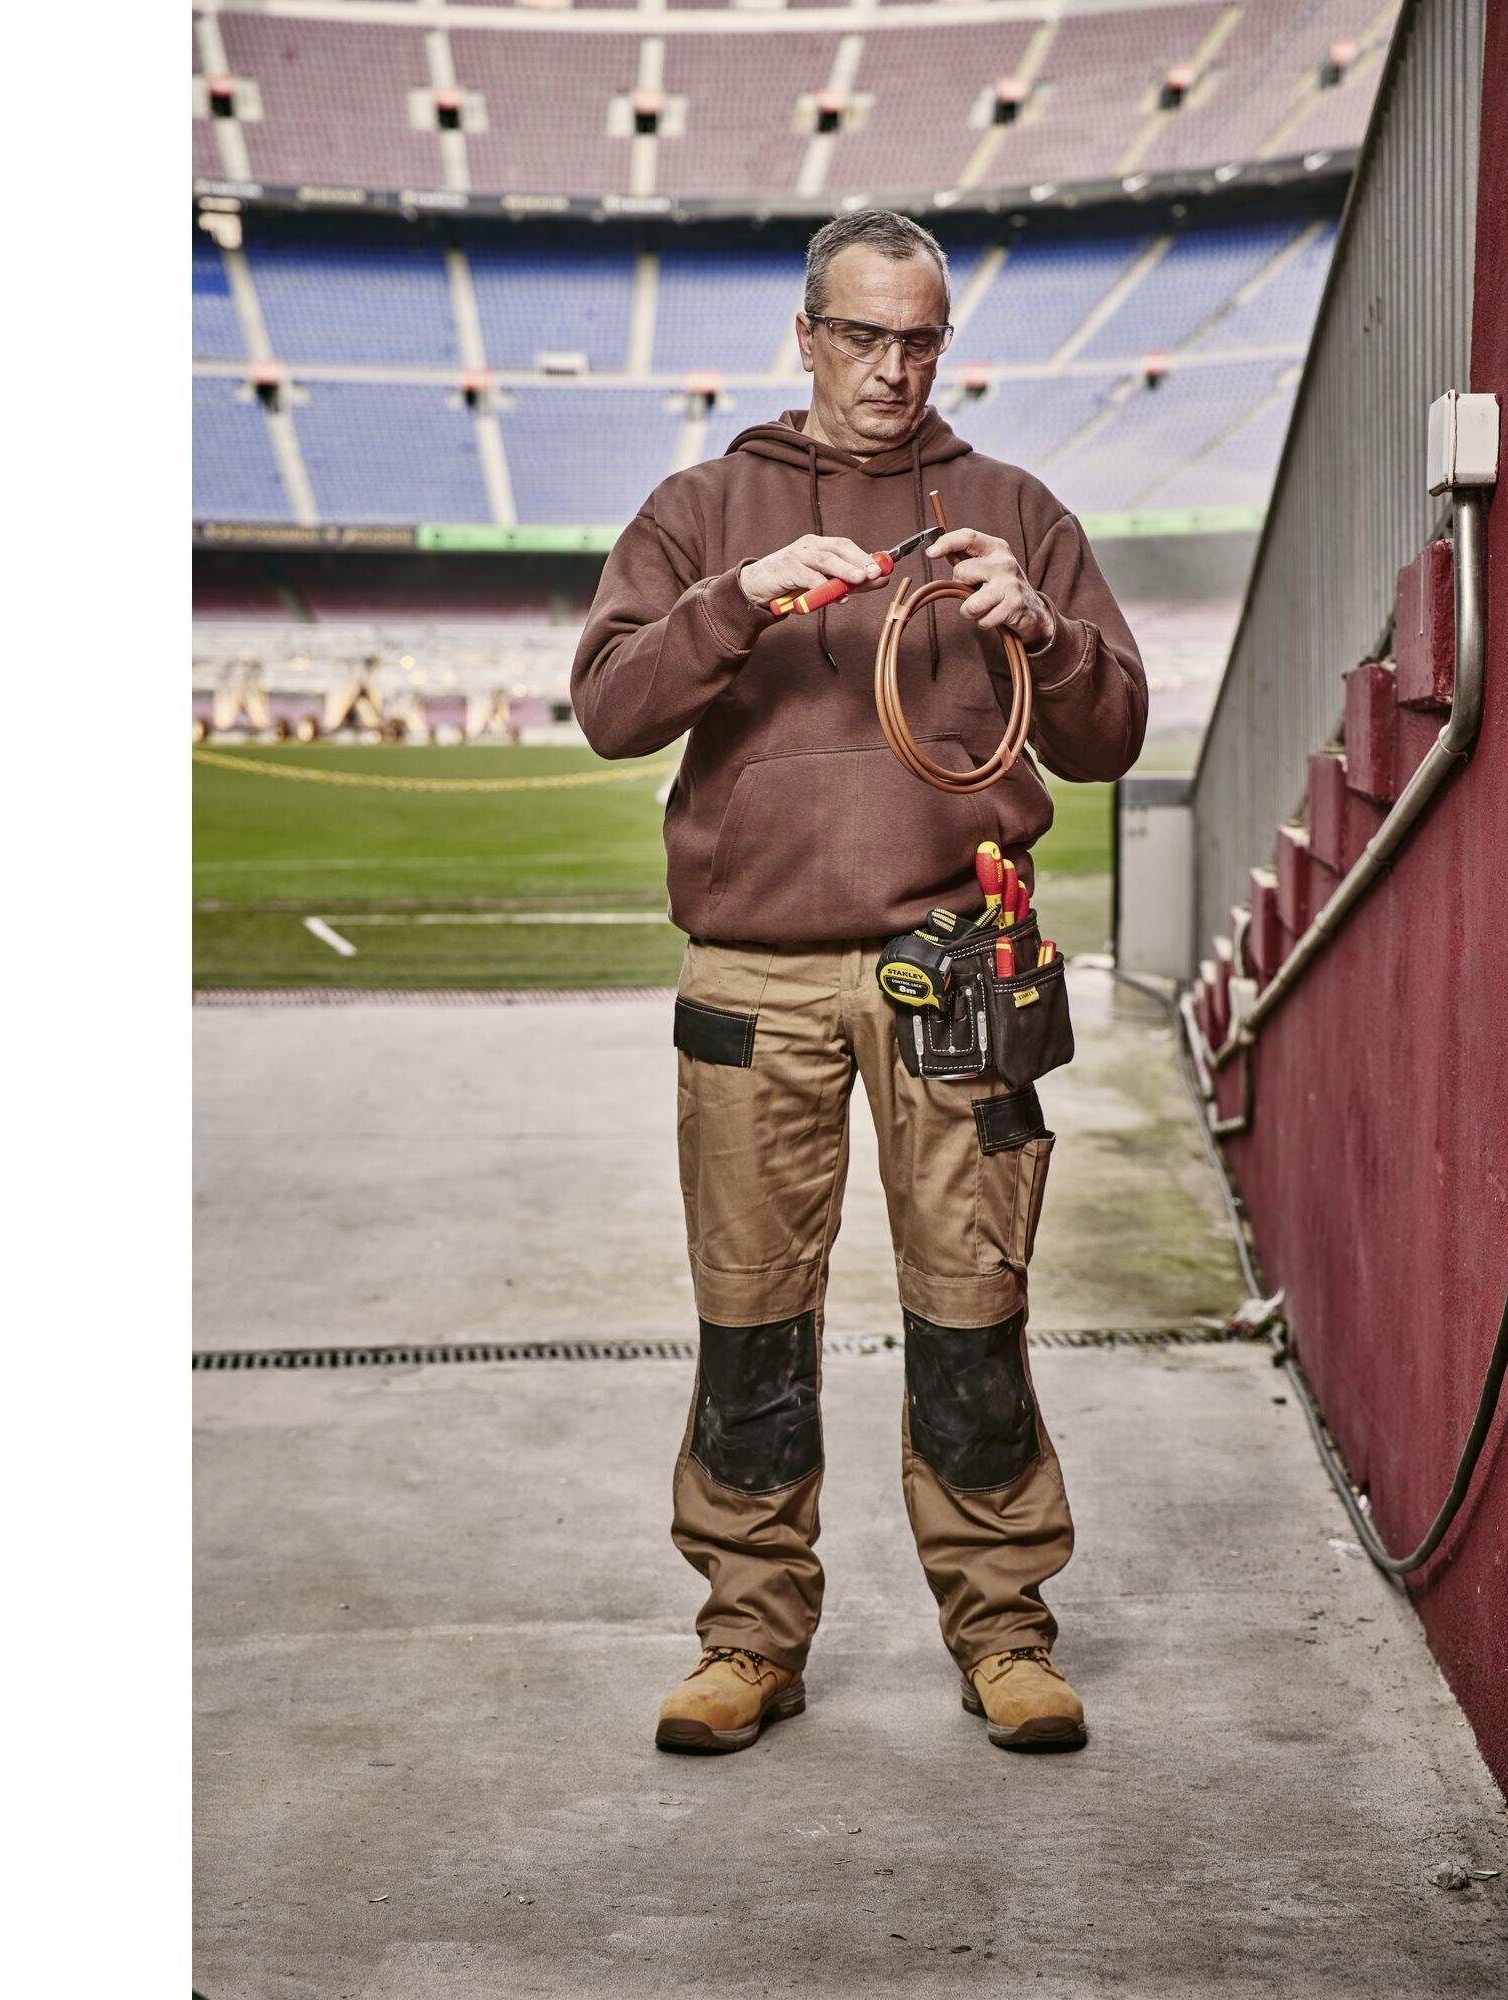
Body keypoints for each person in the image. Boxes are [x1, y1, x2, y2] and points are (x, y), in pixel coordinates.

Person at [570, 208, 1147, 1755]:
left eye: (921, 340)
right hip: (753, 974)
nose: (893, 370)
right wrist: (738, 598)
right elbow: (611, 710)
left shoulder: (1013, 506)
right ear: (806, 334)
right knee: (751, 1317)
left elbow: (1112, 739)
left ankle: (1005, 1632)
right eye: (863, 336)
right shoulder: (703, 506)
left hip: (956, 963)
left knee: (976, 1307)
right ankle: (749, 1638)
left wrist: (1050, 633)